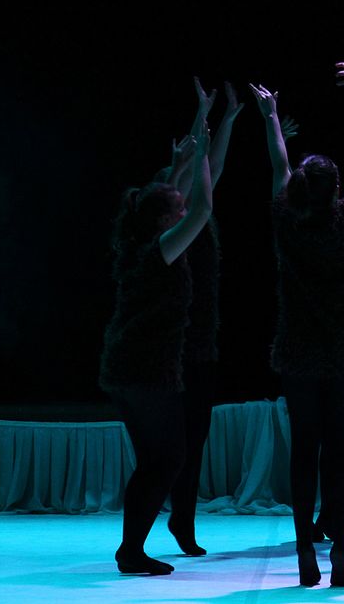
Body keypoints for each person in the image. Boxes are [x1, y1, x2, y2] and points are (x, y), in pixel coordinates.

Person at [254, 69, 344, 587]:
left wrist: (271, 116)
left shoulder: (286, 220)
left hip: (300, 352)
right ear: (335, 190)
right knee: (340, 453)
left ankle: (303, 554)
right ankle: (342, 555)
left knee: (305, 452)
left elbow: (278, 163)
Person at [99, 83, 217, 576]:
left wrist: (187, 147)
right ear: (164, 221)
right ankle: (131, 550)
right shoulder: (161, 250)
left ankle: (131, 549)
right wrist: (204, 153)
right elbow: (203, 208)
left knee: (157, 459)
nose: (183, 211)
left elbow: (175, 193)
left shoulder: (140, 240)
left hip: (128, 366)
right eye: (176, 212)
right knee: (166, 459)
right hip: (145, 369)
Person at [151, 78, 242, 559]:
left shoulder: (199, 221)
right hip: (173, 346)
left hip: (201, 342)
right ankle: (163, 515)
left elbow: (212, 166)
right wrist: (202, 119)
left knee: (196, 437)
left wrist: (226, 117)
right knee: (174, 442)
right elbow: (187, 169)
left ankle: (182, 518)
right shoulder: (169, 227)